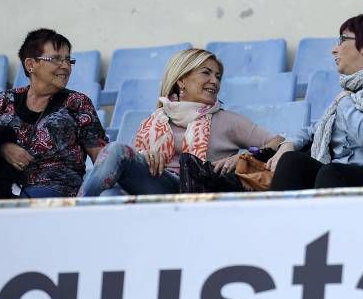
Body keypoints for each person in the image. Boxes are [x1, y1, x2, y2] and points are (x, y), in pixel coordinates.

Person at [80, 48, 283, 196]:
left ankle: (73, 210)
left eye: (218, 76)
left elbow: (278, 141)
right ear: (181, 80)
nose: (215, 81)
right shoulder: (152, 122)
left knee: (116, 150)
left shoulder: (226, 119)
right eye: (206, 73)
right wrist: (146, 156)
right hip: (157, 186)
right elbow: (132, 161)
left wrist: (241, 158)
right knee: (114, 176)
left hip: (197, 189)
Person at [0, 29, 108, 199]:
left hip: (54, 194)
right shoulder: (4, 100)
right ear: (30, 65)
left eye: (68, 59)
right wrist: (2, 147)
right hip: (2, 189)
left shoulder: (77, 103)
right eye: (56, 59)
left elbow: (101, 157)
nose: (65, 66)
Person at [268, 14, 363, 190]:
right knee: (292, 161)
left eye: (342, 40)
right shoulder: (353, 91)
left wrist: (345, 100)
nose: (334, 49)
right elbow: (315, 129)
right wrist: (289, 144)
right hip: (341, 172)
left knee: (331, 172)